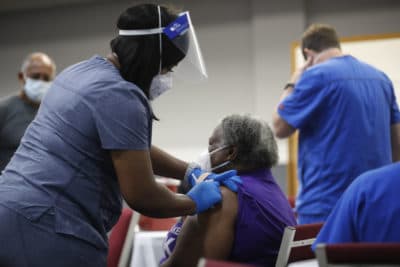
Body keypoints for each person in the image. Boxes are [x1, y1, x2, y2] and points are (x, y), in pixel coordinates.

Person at [0, 4, 240, 267]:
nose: (166, 77)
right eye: (166, 68)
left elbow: (128, 145)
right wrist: (192, 202)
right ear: (151, 59)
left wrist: (188, 170)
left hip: (9, 211)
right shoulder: (122, 95)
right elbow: (142, 195)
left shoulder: (79, 73)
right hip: (48, 231)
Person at [272, 23, 400, 224]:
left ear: (308, 55)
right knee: (375, 256)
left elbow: (279, 127)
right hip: (377, 202)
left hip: (326, 206)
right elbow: (397, 146)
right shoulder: (381, 79)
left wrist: (293, 83)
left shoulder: (315, 76)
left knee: (326, 256)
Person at [160, 114, 297, 267]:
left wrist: (192, 217)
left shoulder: (222, 196)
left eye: (212, 145)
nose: (207, 152)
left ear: (231, 152)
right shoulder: (274, 192)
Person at [313, 162, 400, 248]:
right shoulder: (367, 188)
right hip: (329, 206)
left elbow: (329, 255)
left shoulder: (366, 188)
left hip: (332, 207)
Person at [0, 52, 56, 171]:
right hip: (9, 186)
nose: (41, 82)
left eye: (46, 78)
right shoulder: (4, 109)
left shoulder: (55, 114)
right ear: (22, 77)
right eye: (35, 77)